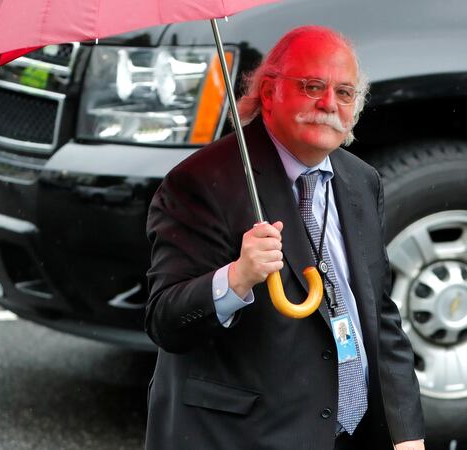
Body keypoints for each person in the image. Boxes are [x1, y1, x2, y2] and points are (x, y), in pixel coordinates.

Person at [144, 25, 425, 450]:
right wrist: (237, 278)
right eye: (312, 86)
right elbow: (165, 322)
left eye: (344, 93)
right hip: (243, 437)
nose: (328, 104)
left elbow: (379, 315)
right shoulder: (201, 181)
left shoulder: (360, 180)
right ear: (270, 91)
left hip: (347, 435)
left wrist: (406, 435)